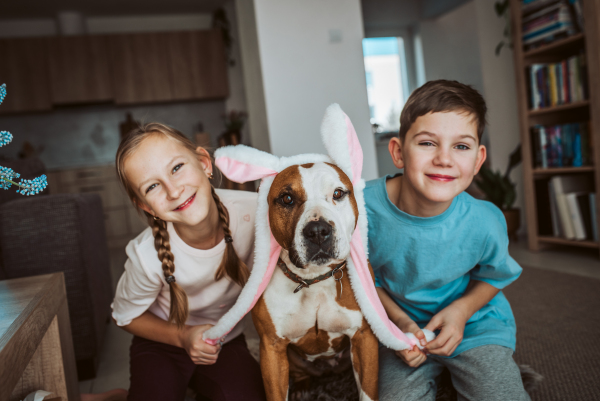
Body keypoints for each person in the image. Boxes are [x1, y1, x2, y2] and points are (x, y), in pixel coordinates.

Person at [366, 80, 530, 400]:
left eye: (461, 146)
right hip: (400, 330)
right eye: (428, 143)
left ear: (478, 160)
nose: (444, 159)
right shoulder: (360, 208)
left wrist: (461, 312)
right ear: (399, 152)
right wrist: (398, 323)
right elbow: (361, 279)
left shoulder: (485, 220)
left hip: (475, 324)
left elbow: (496, 275)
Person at [110, 123, 266, 401]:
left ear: (205, 163)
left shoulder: (257, 214)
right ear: (146, 206)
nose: (173, 191)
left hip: (223, 341)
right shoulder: (146, 255)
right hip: (162, 343)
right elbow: (125, 316)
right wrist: (184, 337)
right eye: (153, 186)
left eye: (177, 168)